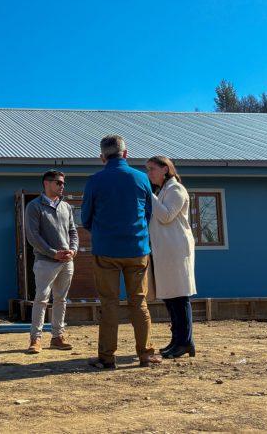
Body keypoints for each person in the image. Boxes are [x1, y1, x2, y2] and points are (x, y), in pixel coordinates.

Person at [81, 135, 161, 368]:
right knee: (139, 301)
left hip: (106, 249)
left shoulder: (95, 181)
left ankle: (107, 358)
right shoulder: (142, 178)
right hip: (137, 249)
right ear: (126, 153)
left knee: (109, 303)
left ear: (102, 157)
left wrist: (102, 232)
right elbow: (148, 213)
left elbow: (86, 218)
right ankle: (145, 354)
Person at [145, 156, 197, 359]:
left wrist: (149, 194)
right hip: (164, 251)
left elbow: (166, 216)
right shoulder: (162, 191)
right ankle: (177, 340)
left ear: (165, 169)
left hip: (176, 250)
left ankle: (185, 342)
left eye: (152, 169)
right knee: (169, 296)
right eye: (147, 169)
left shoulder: (176, 190)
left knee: (179, 296)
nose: (149, 173)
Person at [24, 170, 79, 354]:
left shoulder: (66, 207)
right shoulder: (34, 207)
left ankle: (57, 337)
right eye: (58, 183)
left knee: (61, 299)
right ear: (46, 183)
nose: (62, 186)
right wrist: (53, 253)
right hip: (45, 261)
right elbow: (33, 236)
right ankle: (35, 339)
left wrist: (73, 249)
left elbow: (73, 231)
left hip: (67, 262)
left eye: (63, 183)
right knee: (41, 299)